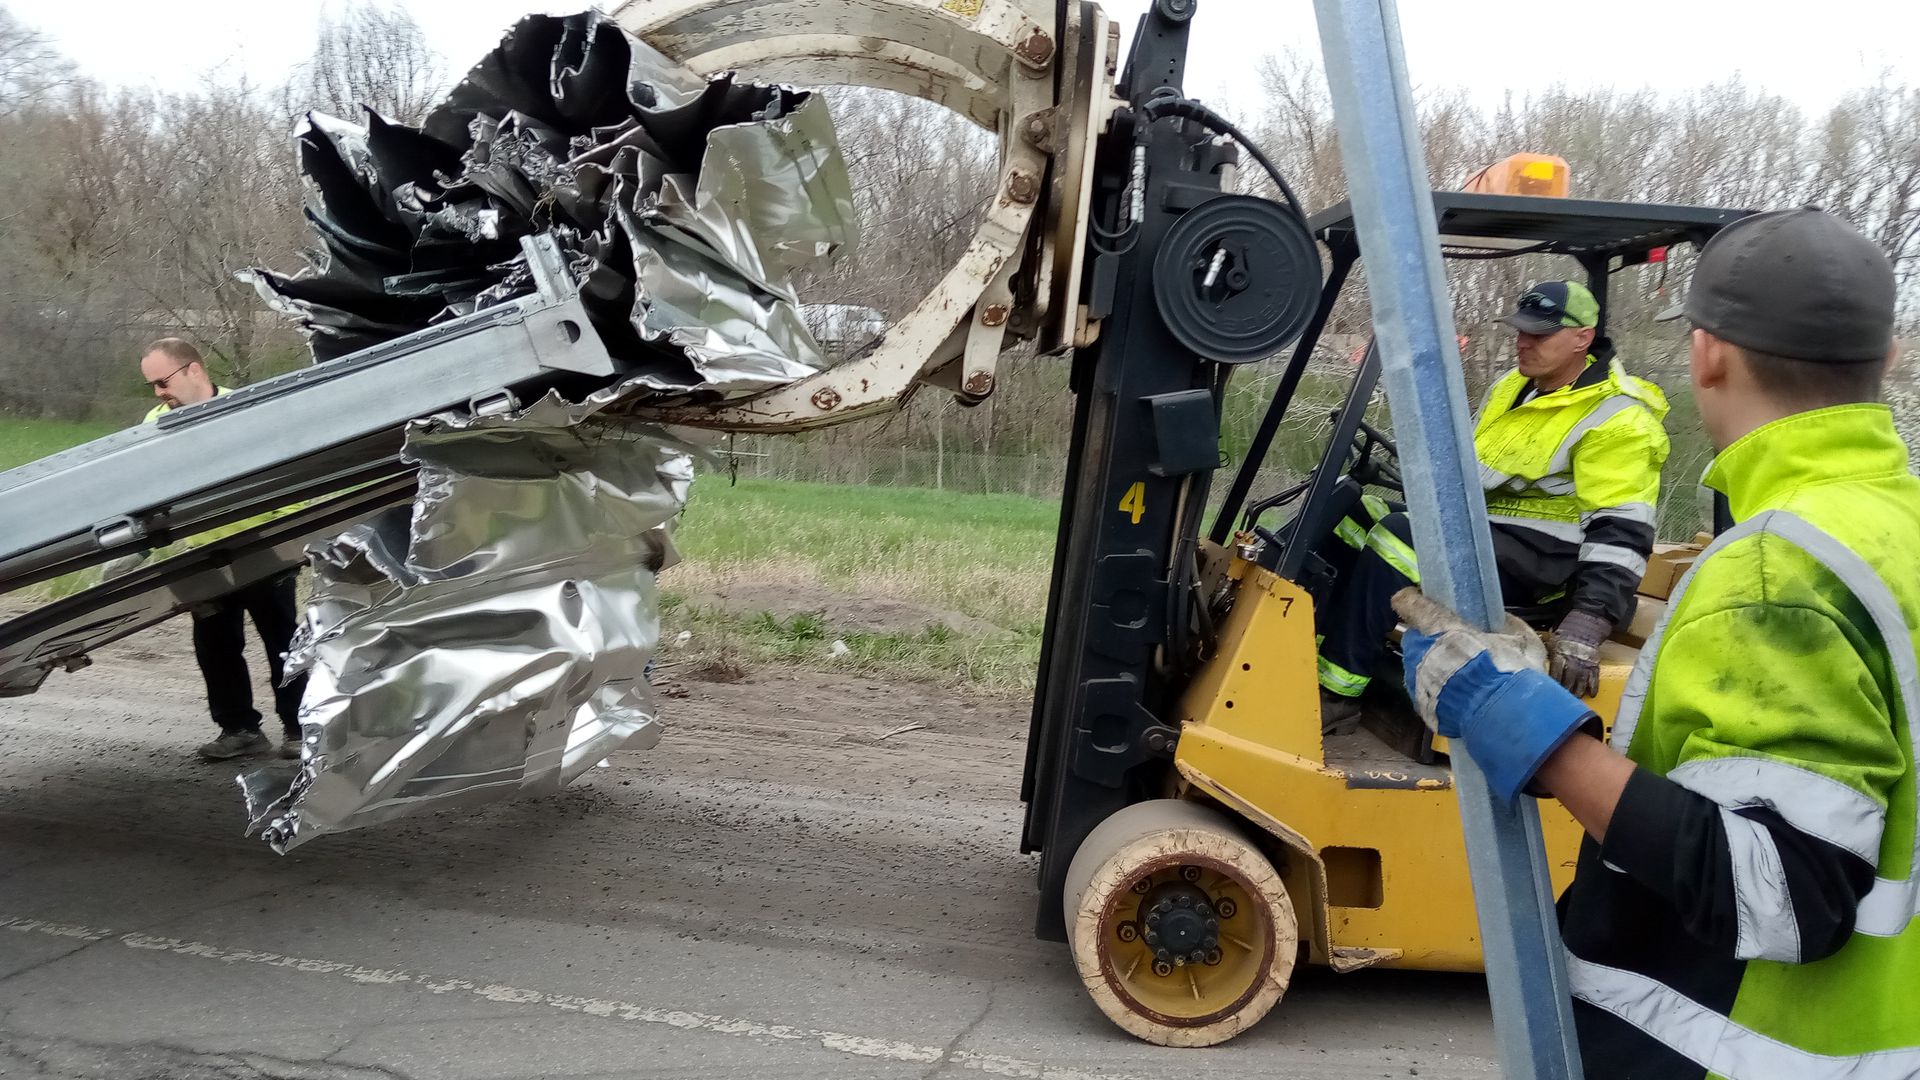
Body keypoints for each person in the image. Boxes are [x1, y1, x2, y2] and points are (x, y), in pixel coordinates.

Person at [1396, 208, 1919, 1077]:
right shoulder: (1891, 530)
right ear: (1886, 359)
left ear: (1707, 352)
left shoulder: (1776, 569)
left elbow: (1780, 892)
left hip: (1732, 1050)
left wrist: (1528, 730)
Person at [1315, 280, 1669, 725]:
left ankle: (1338, 694)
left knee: (1398, 538)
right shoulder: (1512, 387)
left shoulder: (1620, 419)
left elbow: (1622, 531)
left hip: (1545, 568)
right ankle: (1305, 655)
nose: (1523, 343)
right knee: (1353, 512)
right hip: (1488, 538)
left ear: (1583, 337)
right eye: (1520, 331)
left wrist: (1589, 621)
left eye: (1538, 334)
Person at [138, 338, 306, 761]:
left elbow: (286, 473)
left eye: (163, 382)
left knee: (283, 641)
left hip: (264, 547)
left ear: (194, 371)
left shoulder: (247, 410)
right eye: (153, 386)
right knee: (214, 645)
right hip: (203, 555)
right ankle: (240, 729)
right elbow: (145, 487)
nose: (159, 393)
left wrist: (287, 527)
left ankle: (299, 728)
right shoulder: (155, 423)